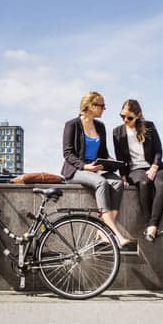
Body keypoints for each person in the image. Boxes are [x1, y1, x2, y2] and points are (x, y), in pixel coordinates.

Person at [62, 92, 134, 247]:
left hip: (96, 167)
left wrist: (109, 160)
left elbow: (102, 152)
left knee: (117, 184)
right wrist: (85, 166)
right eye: (102, 105)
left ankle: (102, 231)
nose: (104, 109)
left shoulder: (100, 126)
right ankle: (115, 235)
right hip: (76, 170)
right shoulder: (72, 125)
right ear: (90, 106)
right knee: (101, 183)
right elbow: (67, 153)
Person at [112, 99, 163, 242]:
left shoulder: (149, 127)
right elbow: (119, 157)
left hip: (156, 166)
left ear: (138, 115)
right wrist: (123, 176)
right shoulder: (117, 132)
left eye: (129, 117)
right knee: (144, 183)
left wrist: (154, 167)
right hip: (135, 169)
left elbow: (158, 150)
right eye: (122, 116)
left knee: (162, 184)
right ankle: (148, 223)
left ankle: (152, 226)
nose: (125, 120)